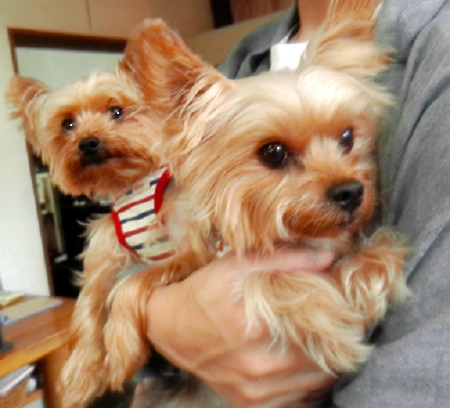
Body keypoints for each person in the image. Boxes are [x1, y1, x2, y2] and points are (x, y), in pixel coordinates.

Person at [144, 0, 450, 406]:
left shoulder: (436, 49)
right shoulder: (242, 56)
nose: (343, 181)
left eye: (345, 140)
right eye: (275, 154)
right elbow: (138, 255)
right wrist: (158, 317)